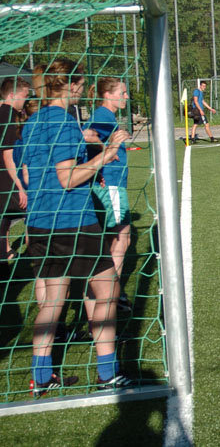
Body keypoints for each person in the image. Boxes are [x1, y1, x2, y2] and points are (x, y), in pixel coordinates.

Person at [21, 58, 132, 394]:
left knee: (53, 301)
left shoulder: (32, 122)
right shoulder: (65, 122)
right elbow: (67, 178)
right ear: (71, 85)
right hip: (73, 221)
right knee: (108, 291)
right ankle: (107, 373)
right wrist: (106, 153)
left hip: (39, 223)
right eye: (82, 85)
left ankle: (41, 377)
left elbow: (27, 173)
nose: (83, 91)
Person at [84, 78, 132, 311]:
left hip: (110, 184)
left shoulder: (107, 116)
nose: (126, 97)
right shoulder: (103, 115)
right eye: (122, 93)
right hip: (111, 185)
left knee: (112, 240)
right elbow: (86, 135)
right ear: (108, 94)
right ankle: (112, 294)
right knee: (121, 239)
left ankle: (106, 292)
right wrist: (107, 150)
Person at [0, 77, 31, 263]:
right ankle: (34, 253)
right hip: (9, 179)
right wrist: (20, 186)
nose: (26, 101)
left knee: (3, 220)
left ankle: (6, 255)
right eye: (24, 96)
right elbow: (8, 154)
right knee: (31, 212)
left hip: (3, 179)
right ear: (12, 95)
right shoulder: (9, 115)